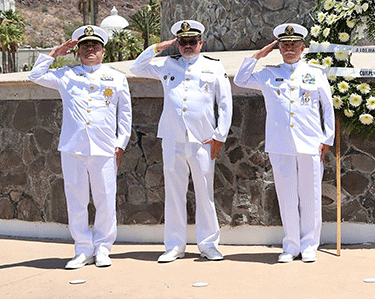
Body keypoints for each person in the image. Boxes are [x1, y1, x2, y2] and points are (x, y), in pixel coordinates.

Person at [28, 25, 132, 269]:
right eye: (85, 46)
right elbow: (35, 75)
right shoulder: (66, 75)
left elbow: (124, 114)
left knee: (105, 198)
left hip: (105, 147)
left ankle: (104, 248)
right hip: (73, 147)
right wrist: (55, 53)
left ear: (103, 51)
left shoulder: (116, 78)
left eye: (95, 46)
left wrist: (121, 143)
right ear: (78, 51)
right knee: (76, 199)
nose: (90, 49)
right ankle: (83, 249)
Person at [129, 20, 232, 263]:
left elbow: (225, 104)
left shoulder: (214, 67)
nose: (188, 45)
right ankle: (175, 246)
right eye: (183, 41)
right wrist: (159, 47)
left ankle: (208, 245)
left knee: (204, 193)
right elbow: (136, 67)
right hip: (173, 138)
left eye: (192, 41)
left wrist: (219, 136)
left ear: (201, 43)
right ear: (178, 43)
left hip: (203, 139)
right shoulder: (167, 64)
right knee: (174, 192)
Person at [234, 23, 334, 263]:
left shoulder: (316, 73)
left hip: (311, 143)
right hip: (280, 144)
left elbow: (327, 108)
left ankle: (309, 245)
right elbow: (240, 79)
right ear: (278, 47)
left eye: (294, 44)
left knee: (310, 195)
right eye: (285, 44)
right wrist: (258, 55)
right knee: (287, 196)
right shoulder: (267, 74)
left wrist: (327, 138)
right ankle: (291, 246)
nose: (289, 48)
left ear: (302, 47)